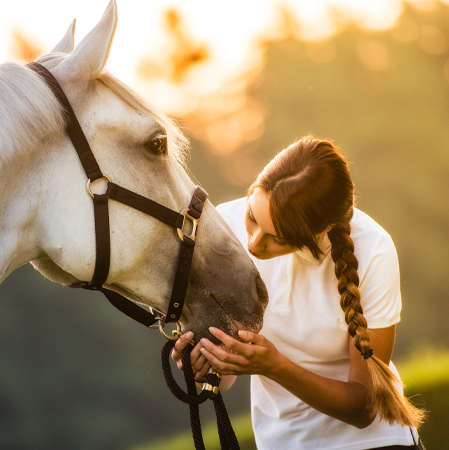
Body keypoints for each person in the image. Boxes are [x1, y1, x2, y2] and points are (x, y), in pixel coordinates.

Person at [172, 136, 425, 449]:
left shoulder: (373, 250)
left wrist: (275, 366)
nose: (253, 244)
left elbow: (365, 408)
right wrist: (205, 363)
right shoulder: (223, 228)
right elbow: (223, 377)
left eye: (277, 238)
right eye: (252, 217)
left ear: (321, 231)